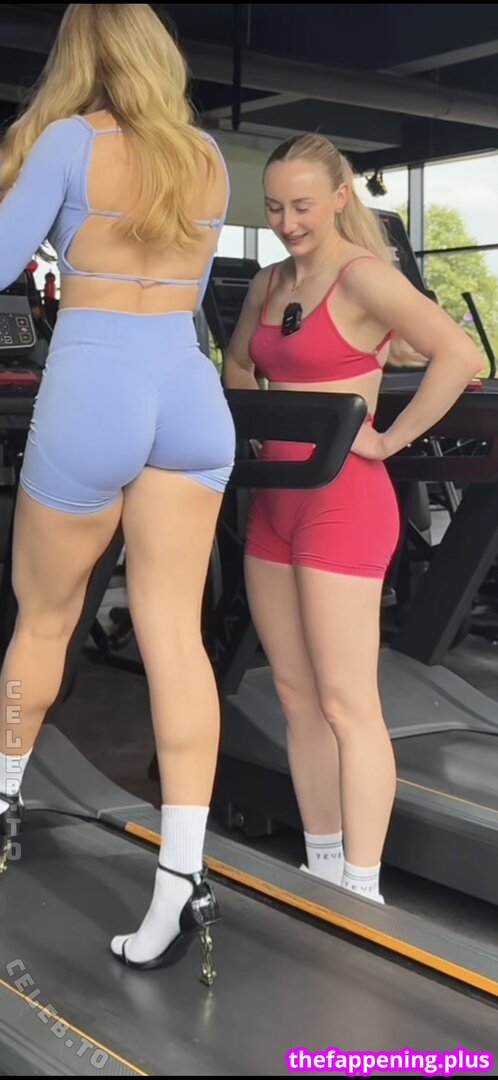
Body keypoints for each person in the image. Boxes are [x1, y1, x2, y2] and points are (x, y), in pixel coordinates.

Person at [0, 3, 236, 978]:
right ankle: (182, 883)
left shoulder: (67, 142)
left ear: (80, 54)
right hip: (188, 391)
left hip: (95, 384)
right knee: (174, 635)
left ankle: (1, 802)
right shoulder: (207, 157)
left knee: (45, 620)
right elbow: (191, 290)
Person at [223, 133, 482, 905]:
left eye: (302, 206)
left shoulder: (364, 277)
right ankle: (325, 865)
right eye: (275, 207)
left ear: (340, 197)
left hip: (344, 503)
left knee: (345, 702)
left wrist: (390, 439)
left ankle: (363, 890)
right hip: (275, 503)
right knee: (294, 695)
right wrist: (259, 422)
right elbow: (238, 362)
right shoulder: (269, 282)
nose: (287, 222)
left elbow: (460, 356)